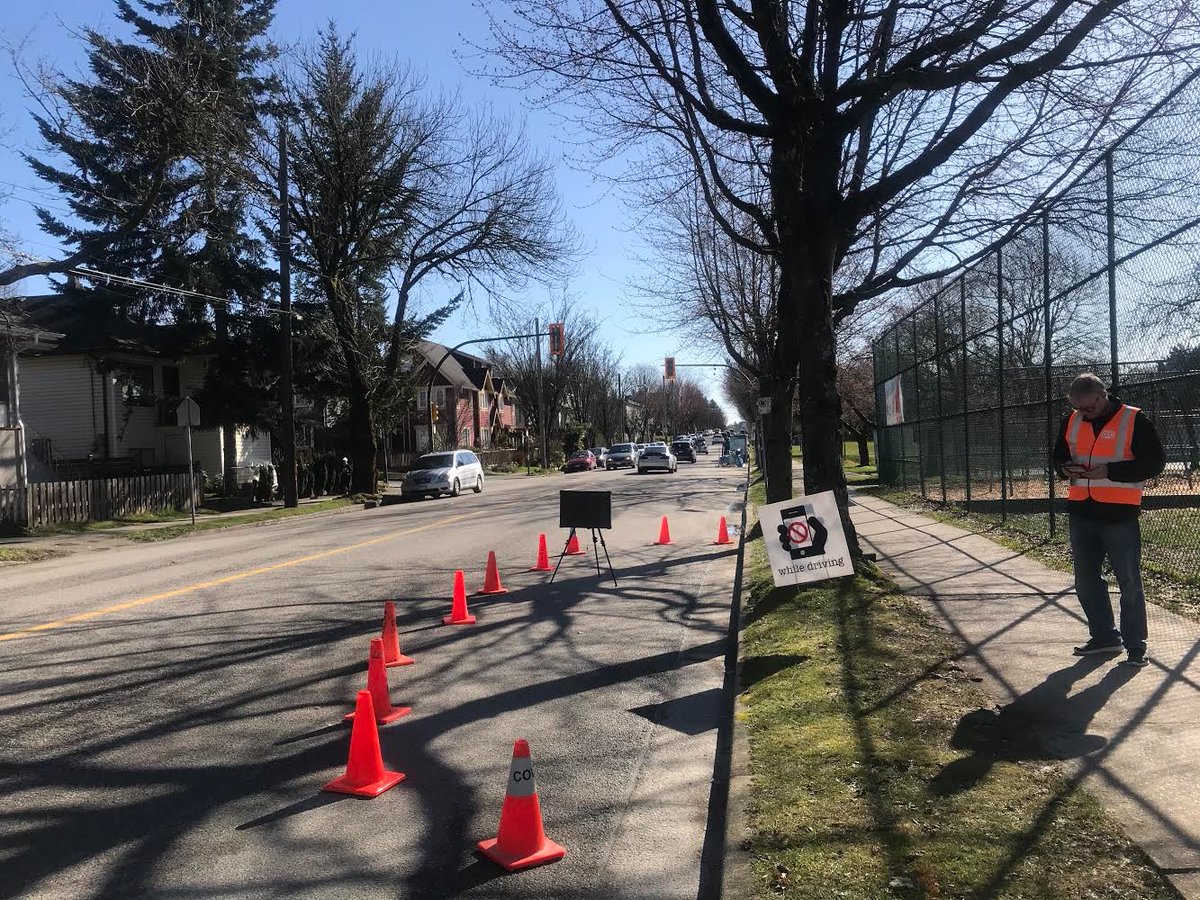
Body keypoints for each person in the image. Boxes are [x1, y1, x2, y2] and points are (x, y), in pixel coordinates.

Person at [1053, 373, 1165, 667]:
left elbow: (1154, 462)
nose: (1083, 414)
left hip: (1119, 514)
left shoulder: (1133, 420)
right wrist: (1066, 470)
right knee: (1086, 581)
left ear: (1103, 396)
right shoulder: (1071, 421)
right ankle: (1104, 637)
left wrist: (1110, 472)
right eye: (1078, 408)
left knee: (1129, 582)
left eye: (1088, 408)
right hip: (1081, 512)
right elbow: (1058, 457)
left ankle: (1136, 647)